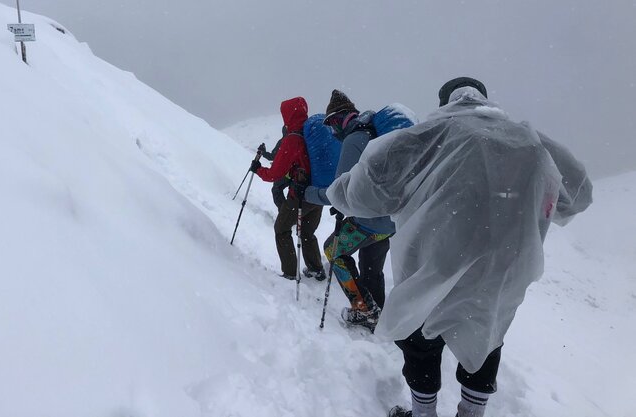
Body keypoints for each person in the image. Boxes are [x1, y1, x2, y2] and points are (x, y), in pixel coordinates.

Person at [326, 77, 592, 417]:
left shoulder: (427, 137)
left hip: (433, 261)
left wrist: (337, 191)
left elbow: (363, 193)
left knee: (421, 341)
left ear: (443, 102)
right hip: (502, 269)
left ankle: (424, 413)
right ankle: (470, 413)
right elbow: (578, 194)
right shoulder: (529, 141)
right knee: (487, 336)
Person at [299, 90, 396, 330]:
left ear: (340, 118)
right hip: (391, 220)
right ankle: (378, 311)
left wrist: (308, 193)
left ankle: (364, 310)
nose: (332, 131)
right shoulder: (375, 135)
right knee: (371, 266)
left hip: (370, 219)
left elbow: (338, 191)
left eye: (332, 124)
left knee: (333, 250)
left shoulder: (355, 139)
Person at [250, 97, 325, 280]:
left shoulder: (293, 139)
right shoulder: (312, 133)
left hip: (299, 195)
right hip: (318, 193)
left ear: (288, 115)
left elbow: (275, 174)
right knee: (307, 232)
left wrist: (258, 169)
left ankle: (290, 273)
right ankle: (316, 269)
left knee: (282, 229)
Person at [259, 126, 290, 209]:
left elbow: (272, 156)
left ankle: (284, 213)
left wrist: (263, 152)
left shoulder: (283, 141)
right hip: (299, 173)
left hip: (285, 173)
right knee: (293, 194)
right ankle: (291, 214)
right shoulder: (301, 138)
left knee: (276, 189)